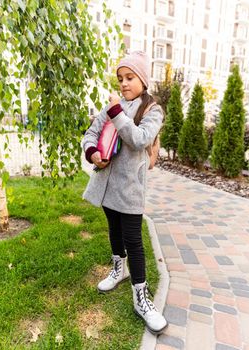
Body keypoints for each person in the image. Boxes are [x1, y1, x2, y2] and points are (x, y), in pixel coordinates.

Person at [81, 51, 168, 335]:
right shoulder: (112, 106)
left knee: (134, 239)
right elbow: (90, 134)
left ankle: (141, 297)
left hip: (130, 187)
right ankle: (119, 269)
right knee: (114, 229)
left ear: (142, 78)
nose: (123, 83)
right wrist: (92, 154)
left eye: (129, 77)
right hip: (107, 183)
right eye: (120, 78)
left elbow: (140, 139)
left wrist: (117, 112)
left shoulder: (152, 109)